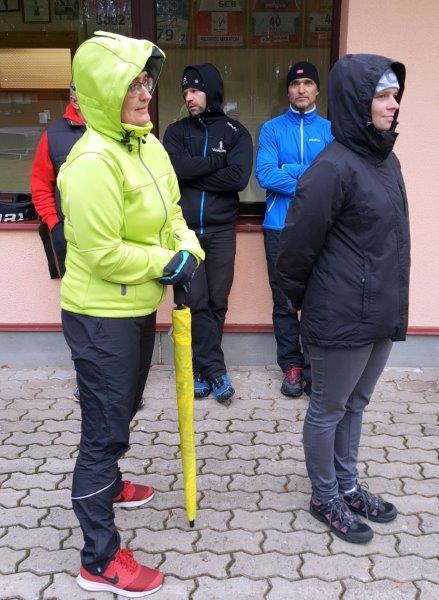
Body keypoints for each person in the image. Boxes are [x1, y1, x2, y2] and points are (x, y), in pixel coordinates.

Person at [57, 31, 204, 596]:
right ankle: (98, 560)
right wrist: (167, 262)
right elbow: (100, 252)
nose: (145, 93)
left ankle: (112, 483)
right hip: (100, 316)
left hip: (138, 306)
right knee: (103, 431)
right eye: (131, 84)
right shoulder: (91, 162)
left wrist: (188, 248)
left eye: (146, 81)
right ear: (102, 90)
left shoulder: (146, 146)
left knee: (124, 409)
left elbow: (173, 213)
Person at [276, 54, 409, 544]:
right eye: (383, 95)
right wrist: (302, 304)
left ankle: (348, 485)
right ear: (357, 101)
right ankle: (325, 495)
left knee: (357, 402)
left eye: (395, 95)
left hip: (380, 310)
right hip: (341, 312)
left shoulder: (386, 161)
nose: (393, 105)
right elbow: (295, 248)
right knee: (328, 407)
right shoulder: (331, 168)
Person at [163, 64, 253, 405]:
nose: (188, 97)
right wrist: (216, 164)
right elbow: (173, 169)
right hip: (185, 233)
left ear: (212, 91)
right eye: (185, 92)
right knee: (194, 301)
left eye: (195, 90)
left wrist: (194, 172)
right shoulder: (175, 132)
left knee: (217, 302)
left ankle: (201, 367)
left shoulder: (236, 133)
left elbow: (238, 178)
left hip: (221, 231)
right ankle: (215, 370)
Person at [256, 61, 333, 398]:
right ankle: (292, 365)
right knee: (284, 300)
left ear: (317, 90)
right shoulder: (272, 129)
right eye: (295, 84)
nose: (301, 89)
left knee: (318, 299)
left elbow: (333, 177)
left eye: (308, 83)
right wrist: (310, 175)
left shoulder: (331, 131)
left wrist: (288, 169)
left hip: (320, 227)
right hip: (279, 227)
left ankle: (315, 367)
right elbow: (265, 174)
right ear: (287, 91)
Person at [30, 82, 85, 278]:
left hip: (111, 232)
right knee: (75, 291)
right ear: (75, 101)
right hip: (69, 234)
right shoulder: (53, 135)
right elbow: (40, 186)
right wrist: (55, 224)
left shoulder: (113, 130)